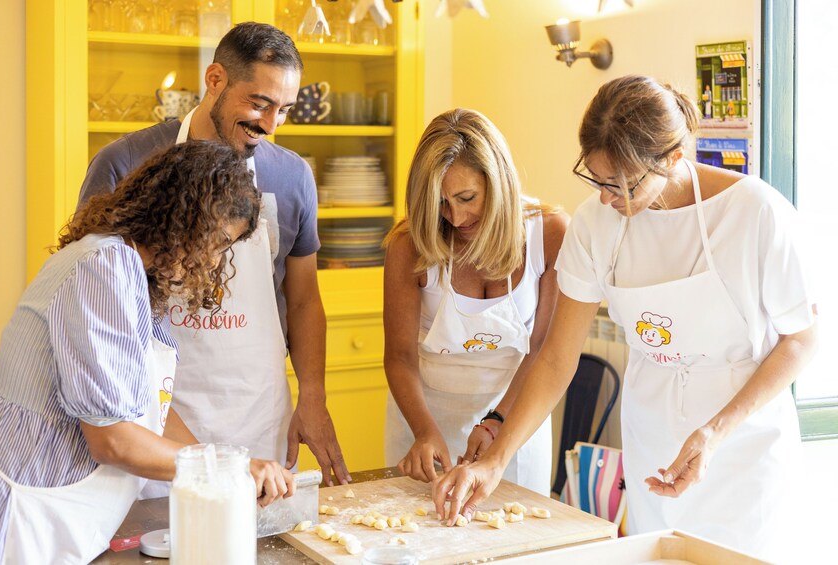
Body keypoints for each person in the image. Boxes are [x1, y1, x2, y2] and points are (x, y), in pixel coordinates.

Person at [433, 76, 817, 560]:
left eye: (622, 184)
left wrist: (715, 431)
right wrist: (496, 460)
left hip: (743, 449)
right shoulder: (596, 225)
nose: (607, 199)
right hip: (653, 444)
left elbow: (802, 340)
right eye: (597, 180)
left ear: (674, 158)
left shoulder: (755, 214)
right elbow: (555, 359)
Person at [0, 141, 295, 564]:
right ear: (188, 216)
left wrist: (215, 471)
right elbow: (112, 439)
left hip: (62, 516)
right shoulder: (102, 267)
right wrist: (228, 471)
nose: (214, 263)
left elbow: (154, 408)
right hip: (25, 515)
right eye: (220, 243)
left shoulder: (129, 270)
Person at [78, 22, 349, 487]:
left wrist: (313, 397)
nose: (268, 124)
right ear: (216, 79)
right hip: (157, 419)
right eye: (259, 103)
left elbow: (304, 300)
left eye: (282, 110)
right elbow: (98, 292)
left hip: (260, 413)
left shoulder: (292, 178)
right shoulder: (126, 164)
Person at [383, 108, 569, 495]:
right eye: (440, 203)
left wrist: (498, 422)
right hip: (424, 414)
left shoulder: (548, 234)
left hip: (516, 414)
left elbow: (543, 350)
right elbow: (399, 356)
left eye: (467, 197)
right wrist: (424, 431)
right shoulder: (409, 244)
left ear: (497, 181)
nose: (455, 216)